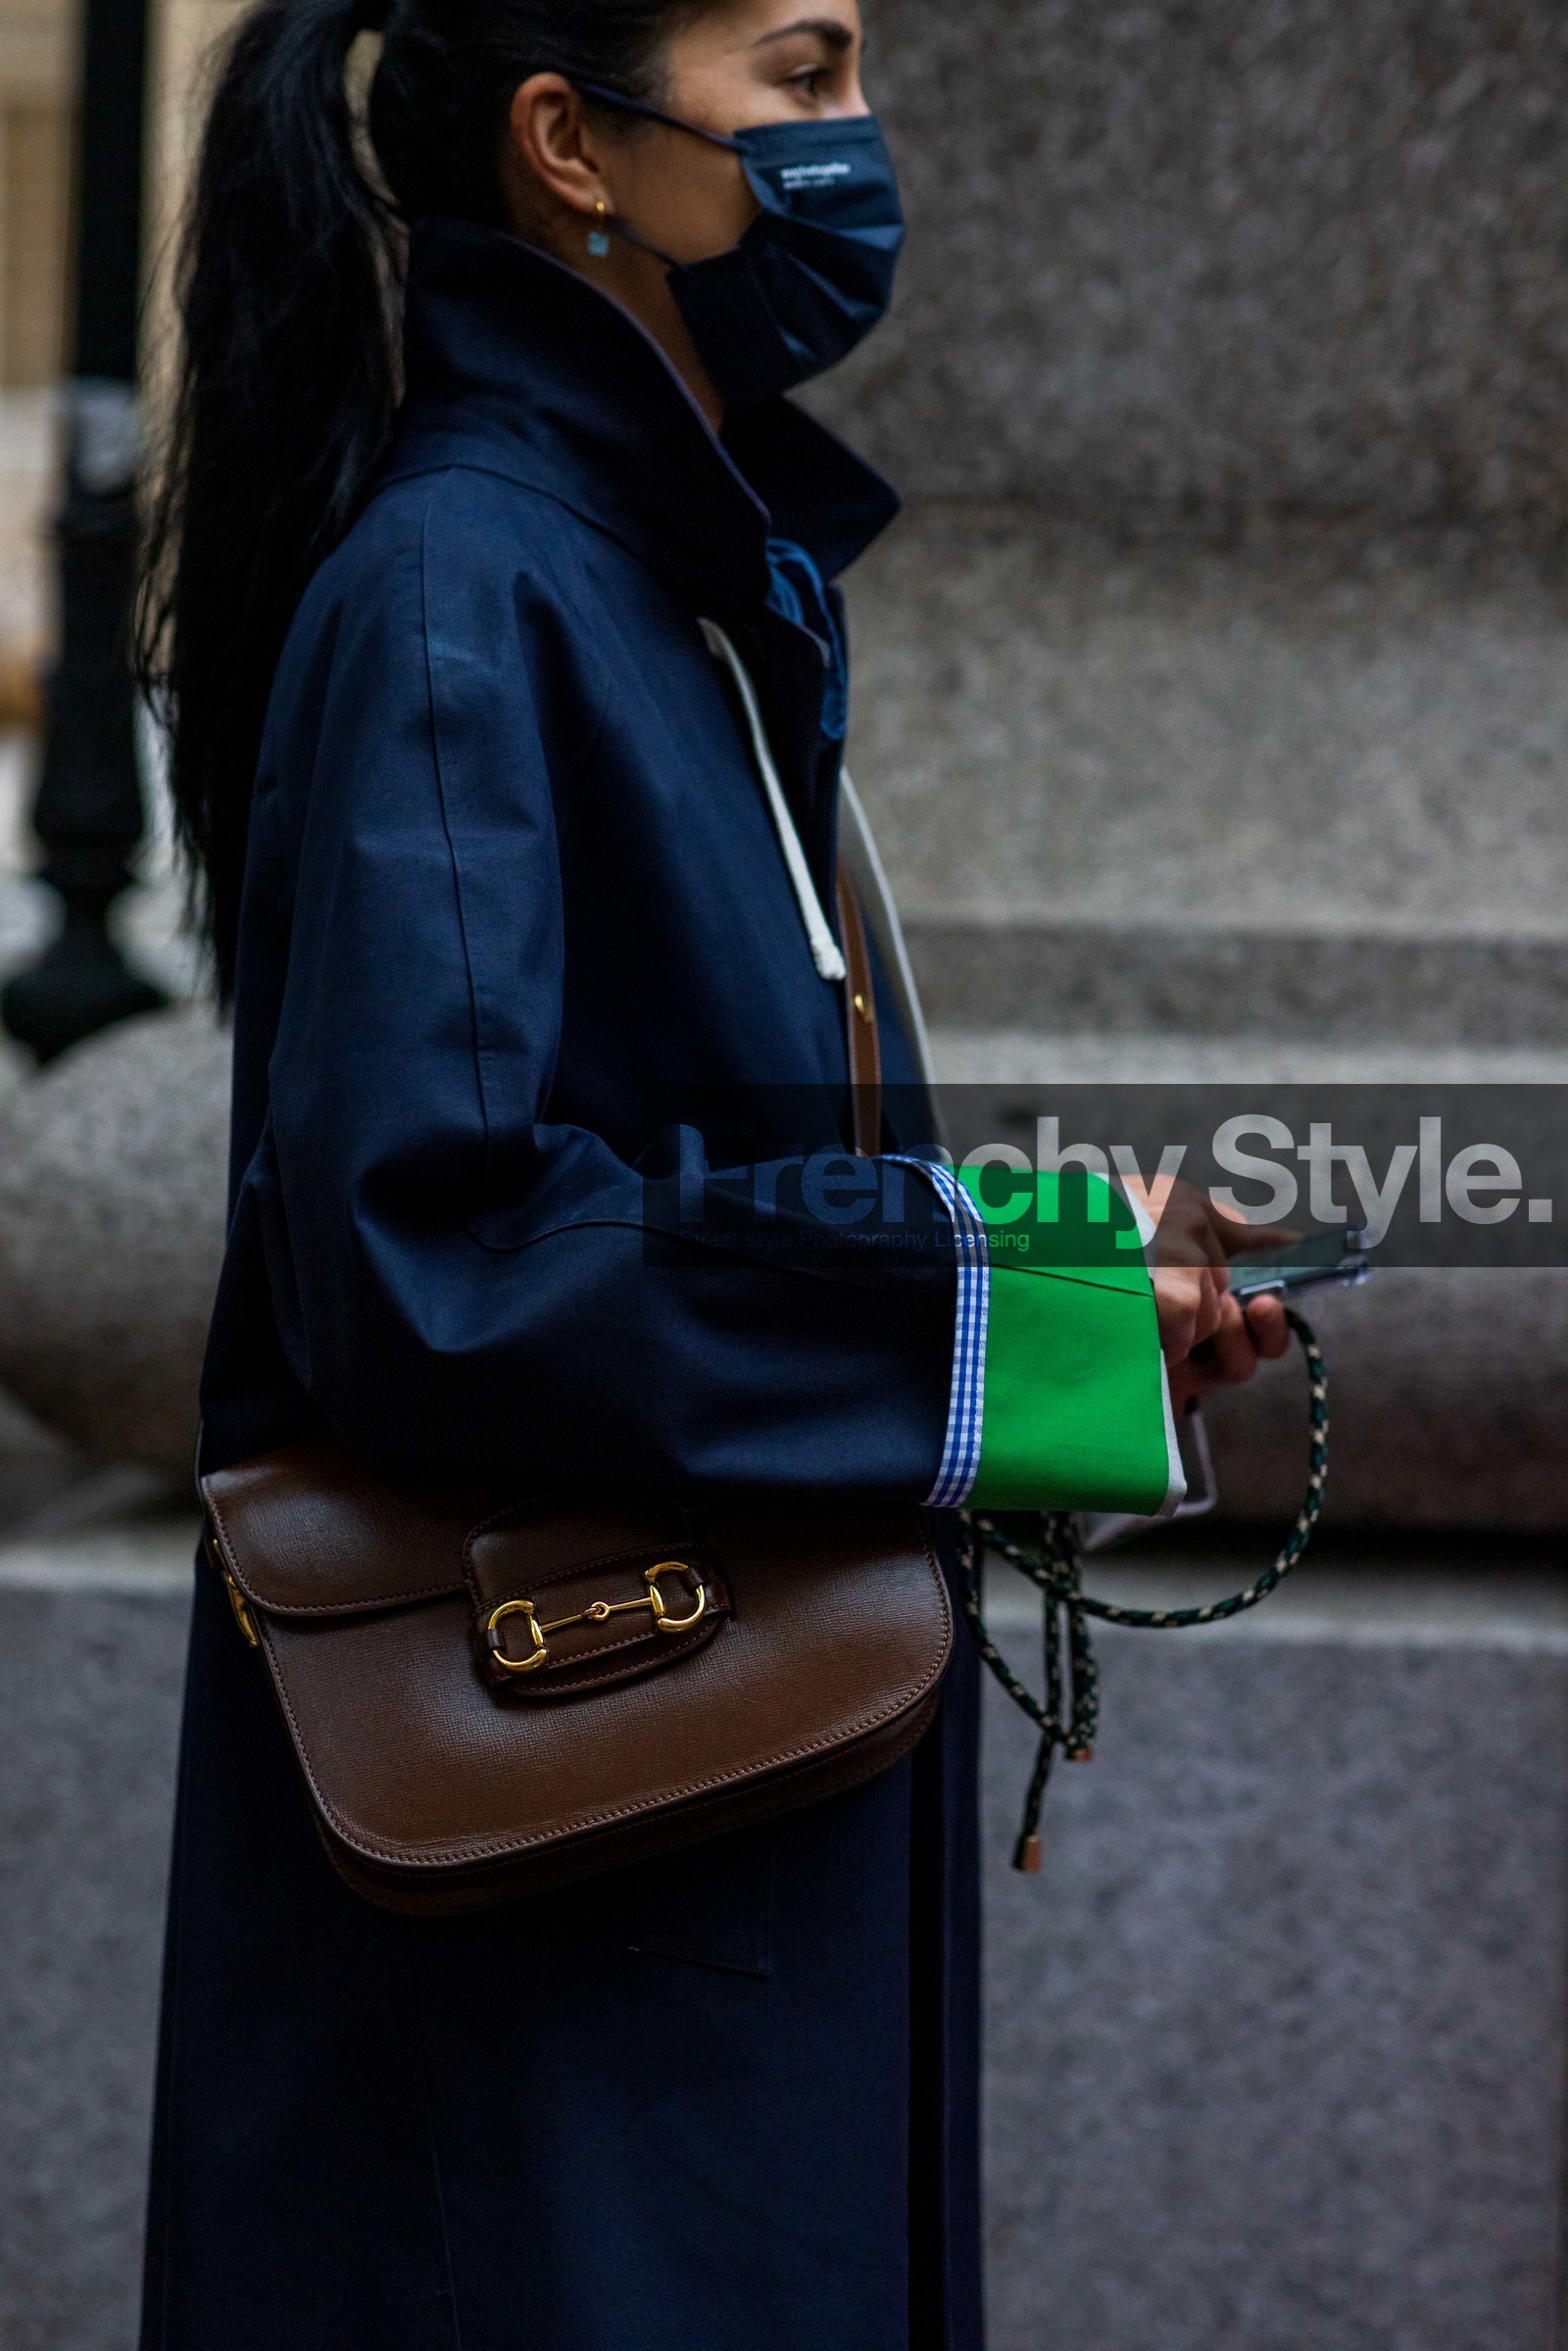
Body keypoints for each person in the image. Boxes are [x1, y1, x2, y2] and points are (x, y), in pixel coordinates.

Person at [135, 0, 1288, 2341]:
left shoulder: (665, 583)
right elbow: (442, 1233)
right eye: (800, 72)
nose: (858, 140)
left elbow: (669, 1189)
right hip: (570, 1908)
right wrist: (987, 1301)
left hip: (689, 1840)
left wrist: (1068, 1313)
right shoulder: (474, 584)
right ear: (573, 144)